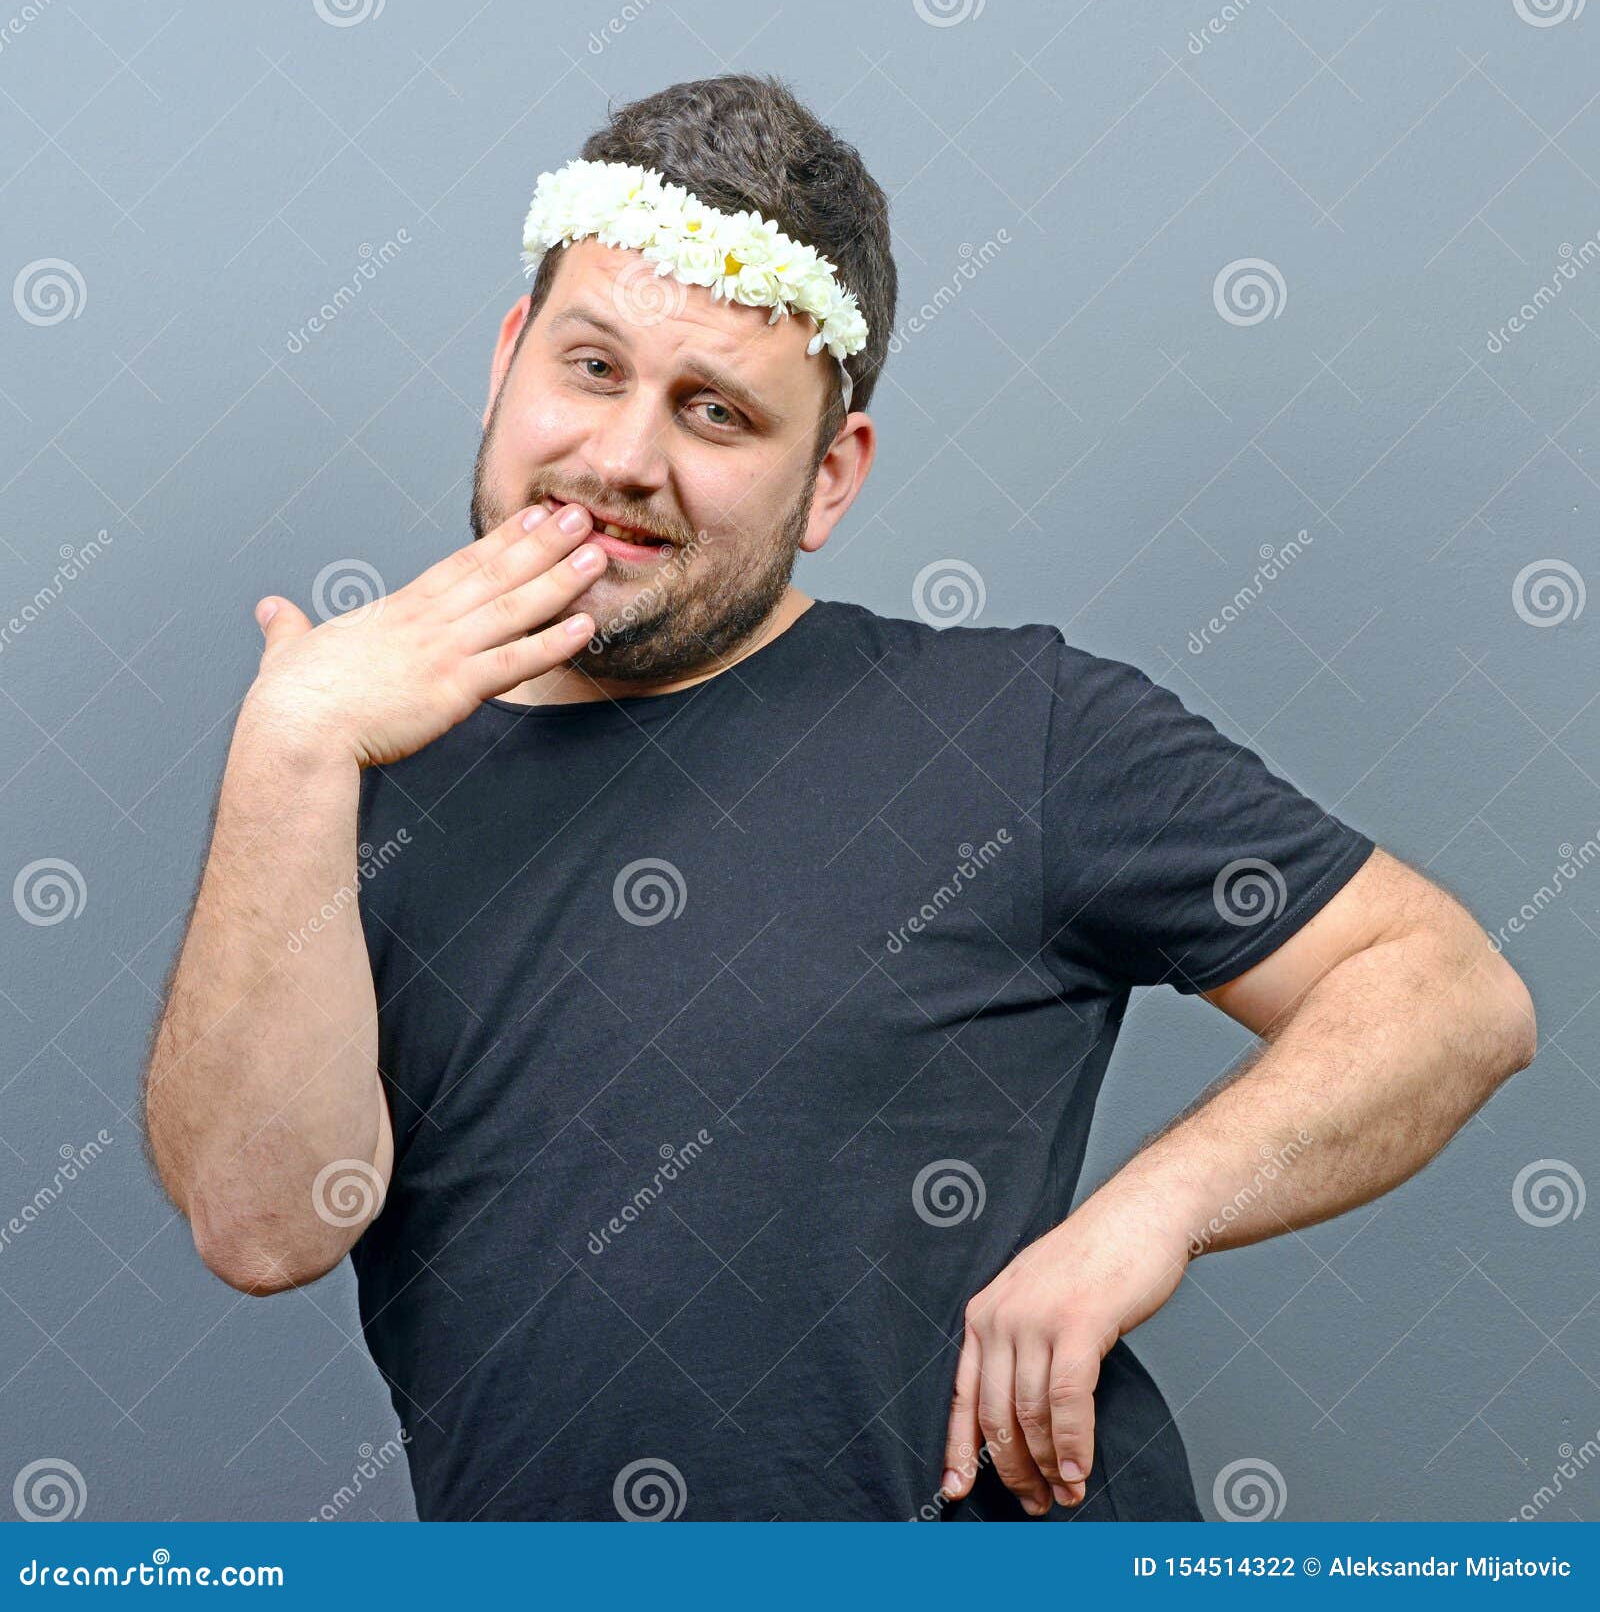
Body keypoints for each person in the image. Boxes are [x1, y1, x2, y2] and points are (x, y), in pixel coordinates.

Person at [142, 74, 1536, 1523]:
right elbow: (258, 1223)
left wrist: (1142, 1221)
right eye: (593, 368)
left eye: (717, 411)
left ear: (829, 479)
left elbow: (1447, 990)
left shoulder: (1018, 729)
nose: (623, 456)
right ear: (508, 363)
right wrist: (288, 753)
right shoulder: (345, 774)